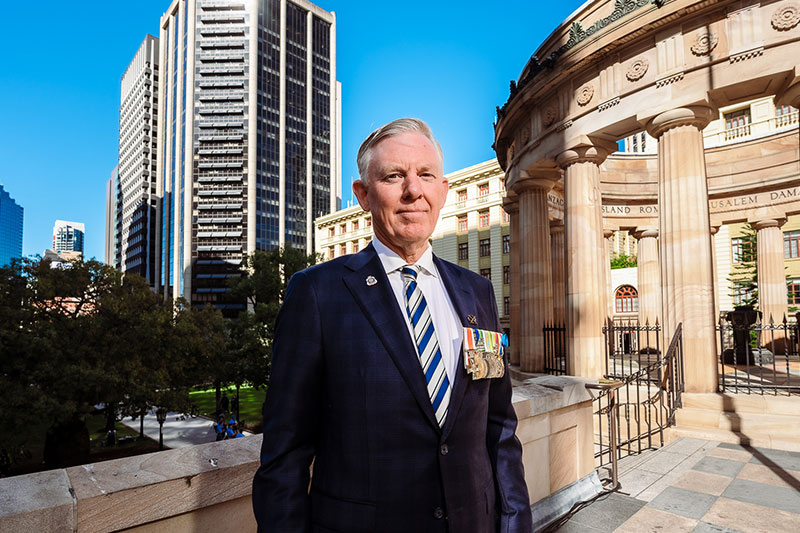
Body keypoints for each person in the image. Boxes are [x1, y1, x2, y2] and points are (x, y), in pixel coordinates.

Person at [252, 118, 532, 532]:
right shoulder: (316, 293)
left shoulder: (478, 292)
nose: (412, 190)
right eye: (393, 176)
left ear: (443, 191)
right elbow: (285, 453)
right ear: (363, 195)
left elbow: (499, 427)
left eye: (425, 175)